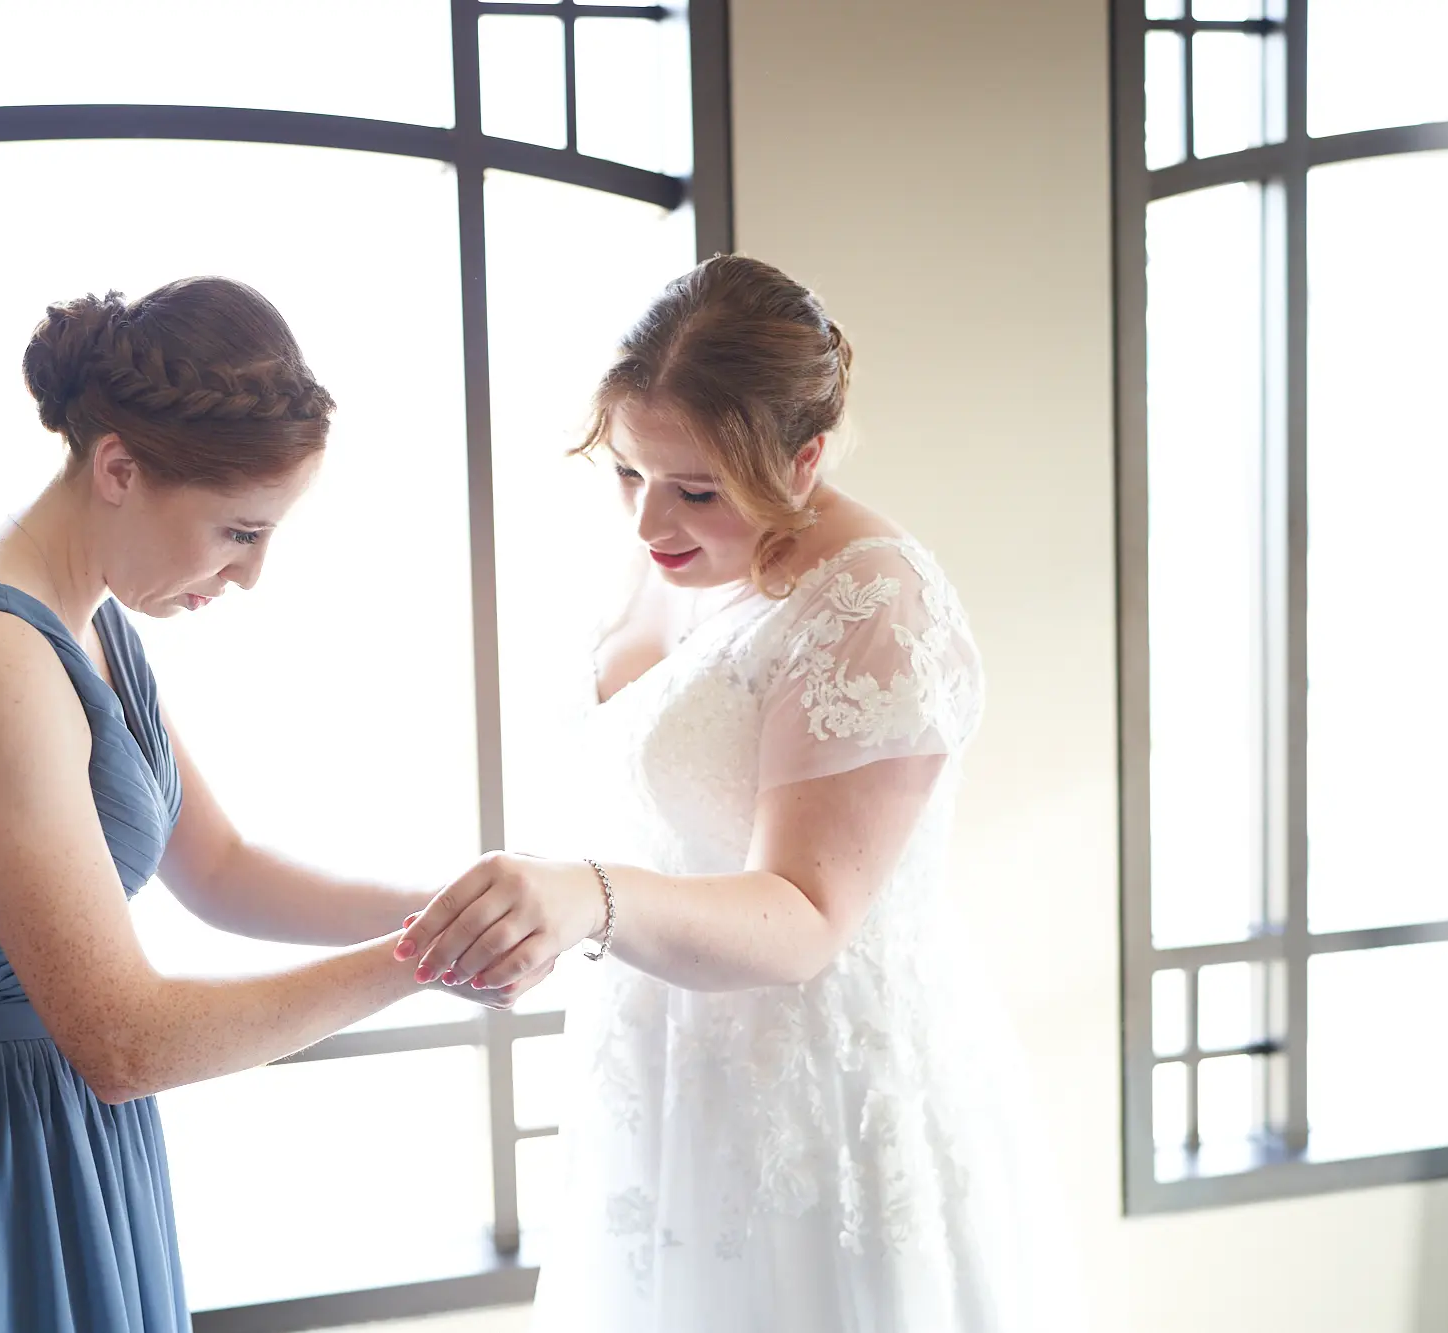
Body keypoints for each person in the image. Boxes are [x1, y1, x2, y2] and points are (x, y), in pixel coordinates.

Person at [0, 276, 544, 1333]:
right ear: (118, 467)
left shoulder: (86, 620)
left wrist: (454, 904)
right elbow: (125, 1041)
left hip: (57, 1121)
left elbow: (220, 870)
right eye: (238, 532)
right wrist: (427, 960)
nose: (253, 574)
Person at [399, 255, 1068, 1331]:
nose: (648, 518)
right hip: (662, 1074)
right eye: (627, 473)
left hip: (811, 1109)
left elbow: (803, 915)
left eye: (695, 487)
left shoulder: (870, 602)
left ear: (802, 461)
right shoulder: (681, 553)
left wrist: (584, 895)